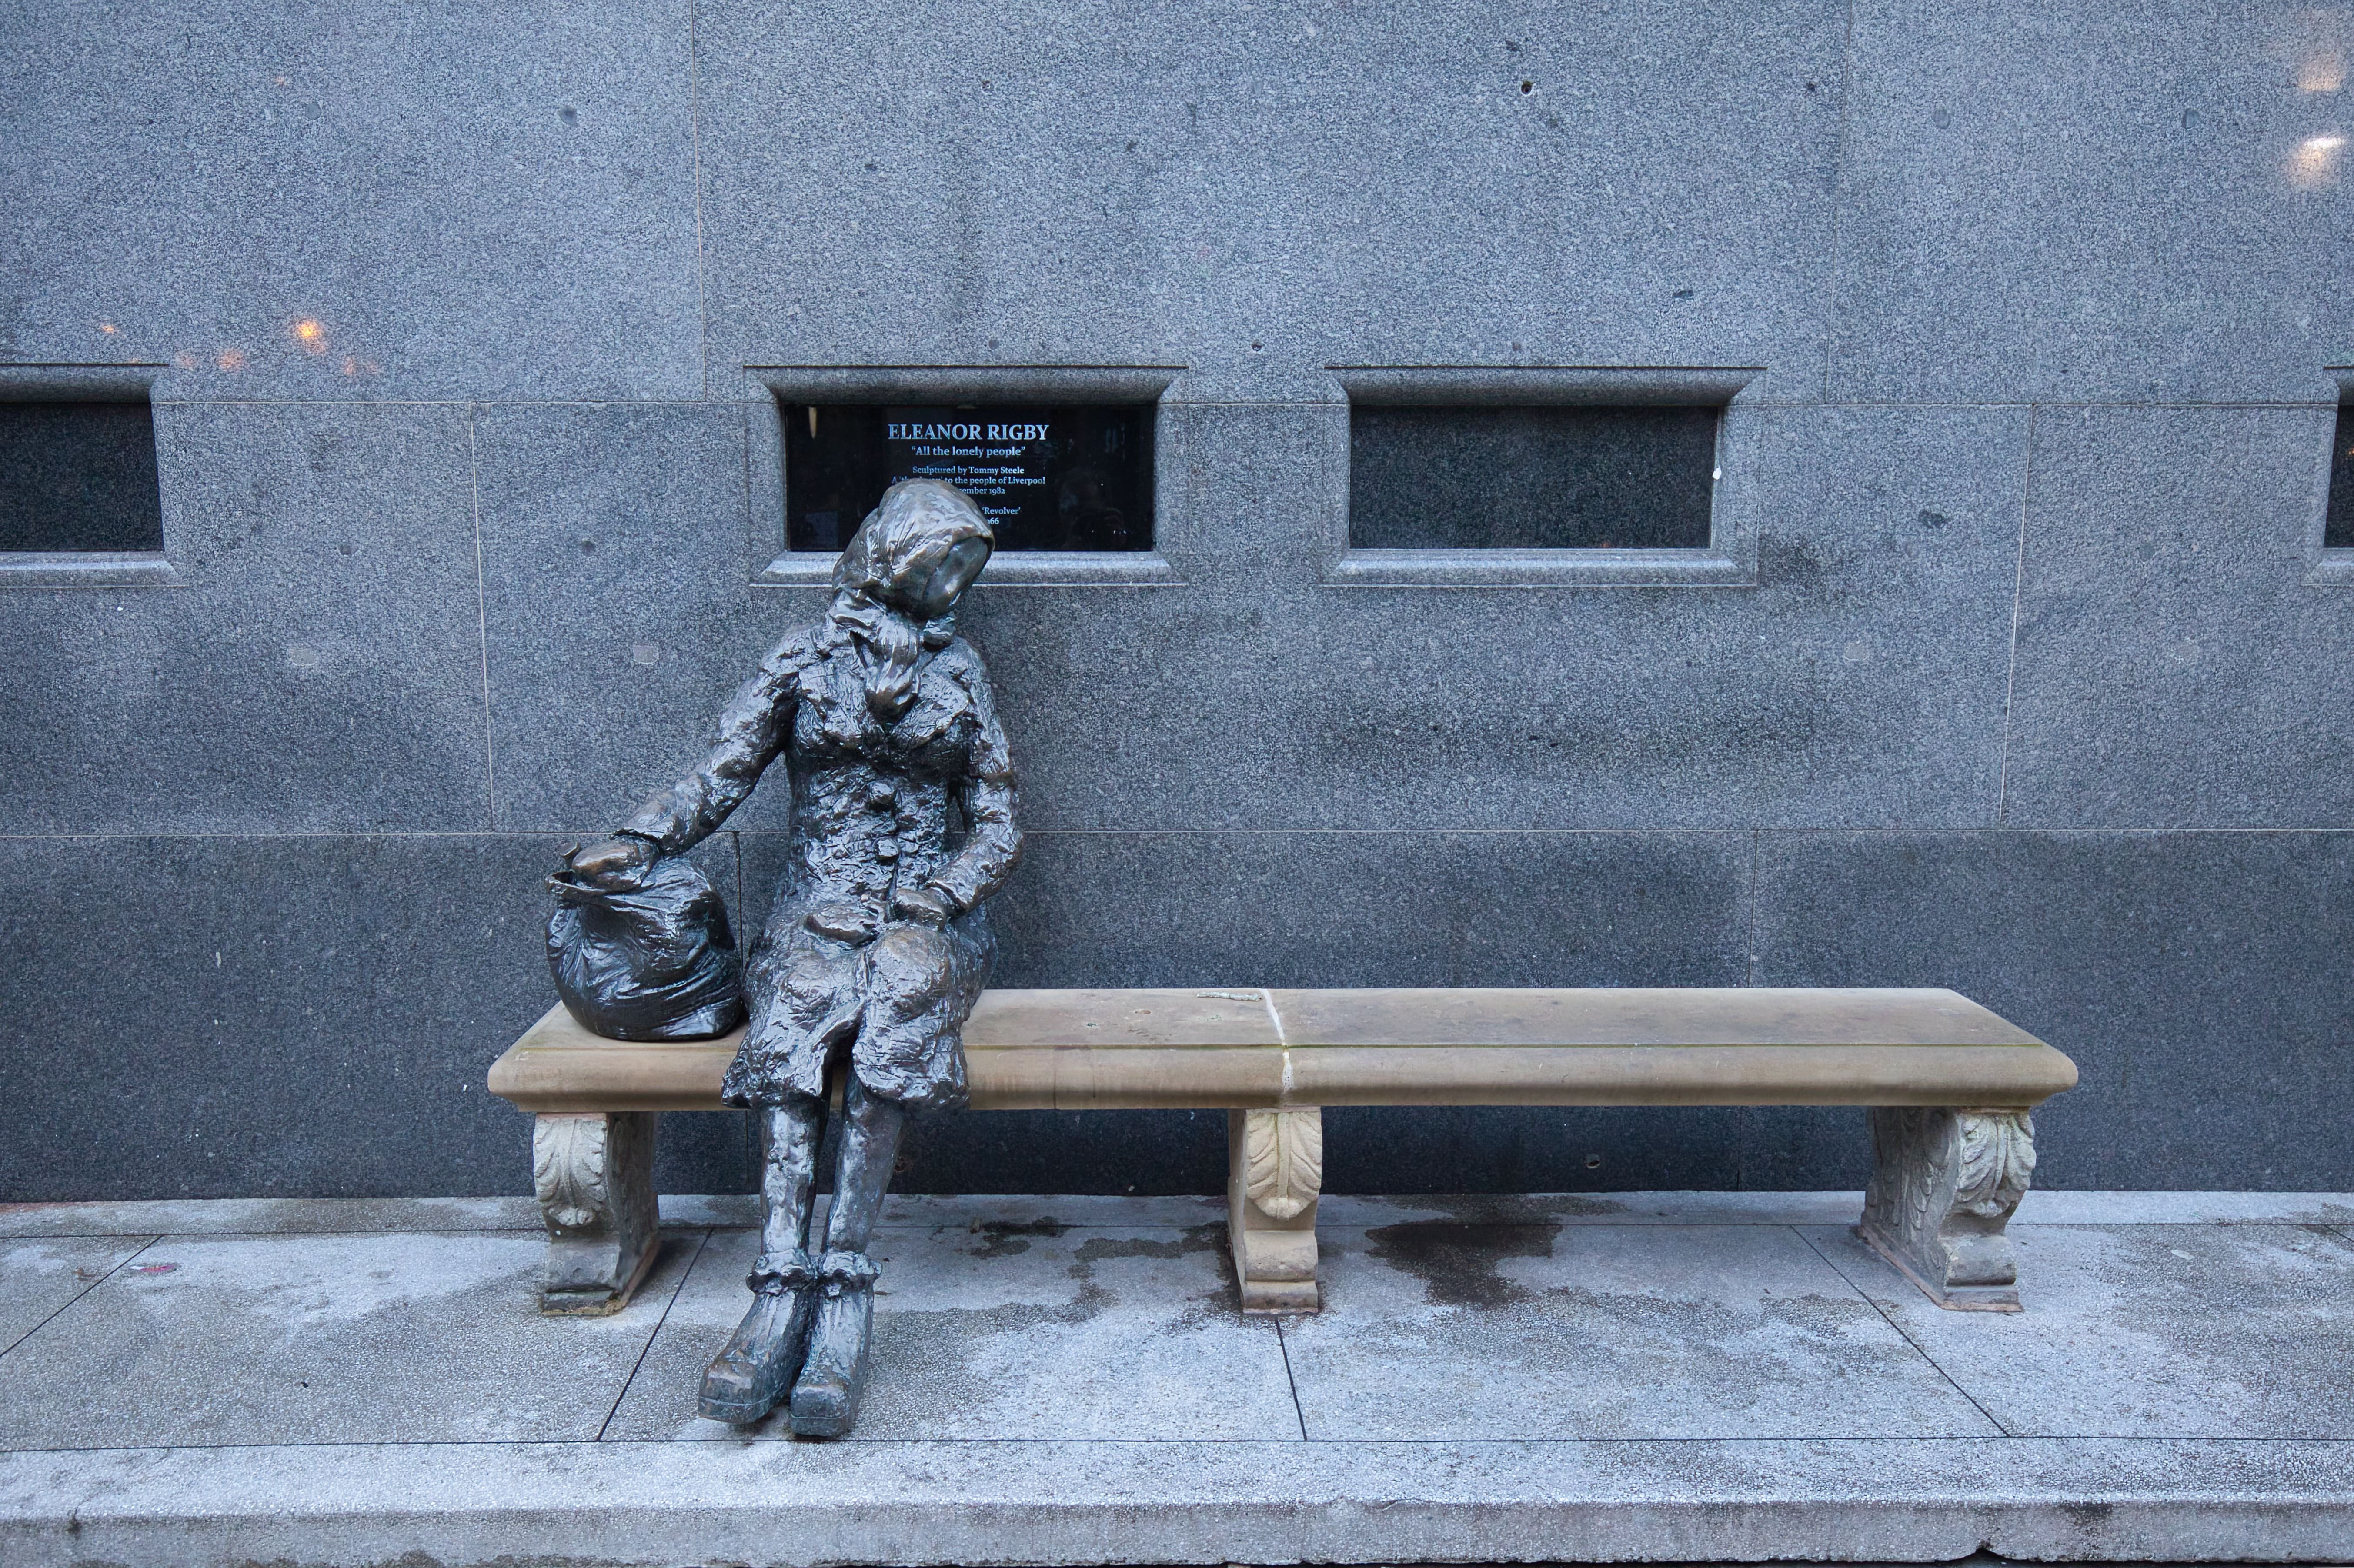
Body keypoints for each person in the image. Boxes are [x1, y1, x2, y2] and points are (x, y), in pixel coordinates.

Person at [564, 479, 1020, 1435]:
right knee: (806, 1001)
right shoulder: (803, 659)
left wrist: (944, 893)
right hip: (816, 902)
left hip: (929, 913)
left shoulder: (963, 669)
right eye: (945, 563)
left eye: (968, 572)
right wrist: (641, 841)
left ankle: (844, 1292)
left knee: (900, 990)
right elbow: (719, 770)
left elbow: (996, 816)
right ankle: (778, 1290)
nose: (956, 587)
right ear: (895, 555)